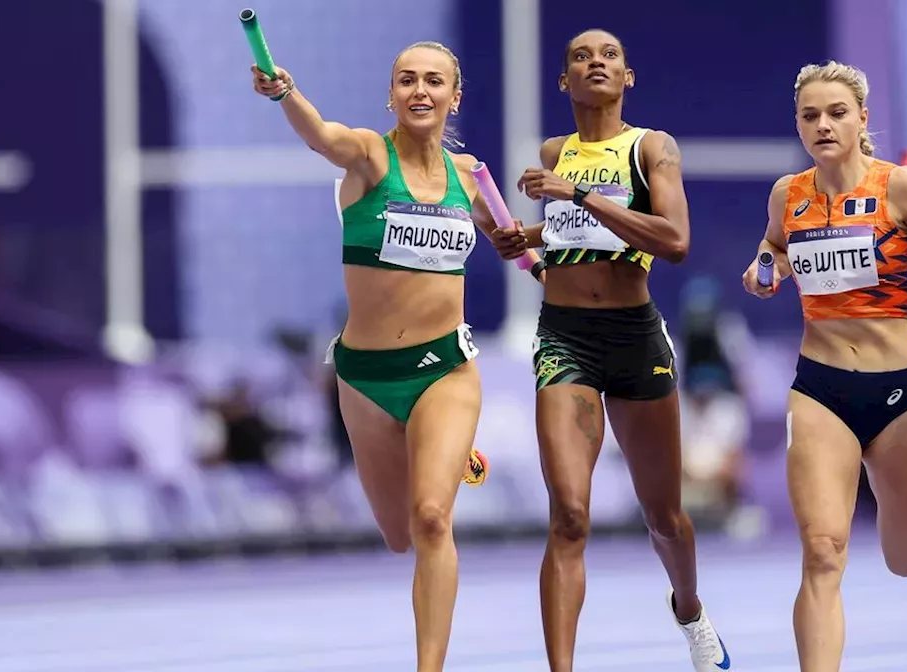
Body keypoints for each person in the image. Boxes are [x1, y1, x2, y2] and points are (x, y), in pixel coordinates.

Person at [250, 41, 536, 671]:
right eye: (407, 80)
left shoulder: (469, 176)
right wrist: (286, 93)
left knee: (433, 519)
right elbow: (323, 136)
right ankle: (442, 452)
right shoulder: (369, 157)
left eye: (434, 81)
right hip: (364, 378)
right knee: (399, 533)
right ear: (392, 95)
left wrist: (545, 264)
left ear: (454, 96)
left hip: (445, 369)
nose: (420, 91)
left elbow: (513, 244)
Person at [742, 60, 907, 672]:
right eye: (810, 115)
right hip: (819, 390)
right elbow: (776, 243)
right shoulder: (787, 193)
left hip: (903, 393)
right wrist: (766, 264)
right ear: (798, 124)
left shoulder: (901, 187)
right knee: (822, 552)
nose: (822, 125)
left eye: (836, 112)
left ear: (862, 119)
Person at [508, 28, 731, 672]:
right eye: (581, 56)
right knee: (569, 515)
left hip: (636, 340)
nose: (596, 62)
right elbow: (565, 238)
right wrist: (527, 236)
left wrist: (575, 195)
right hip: (565, 338)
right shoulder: (555, 151)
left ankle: (689, 609)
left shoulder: (651, 148)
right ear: (564, 82)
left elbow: (674, 238)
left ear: (627, 77)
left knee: (665, 518)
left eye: (609, 56)